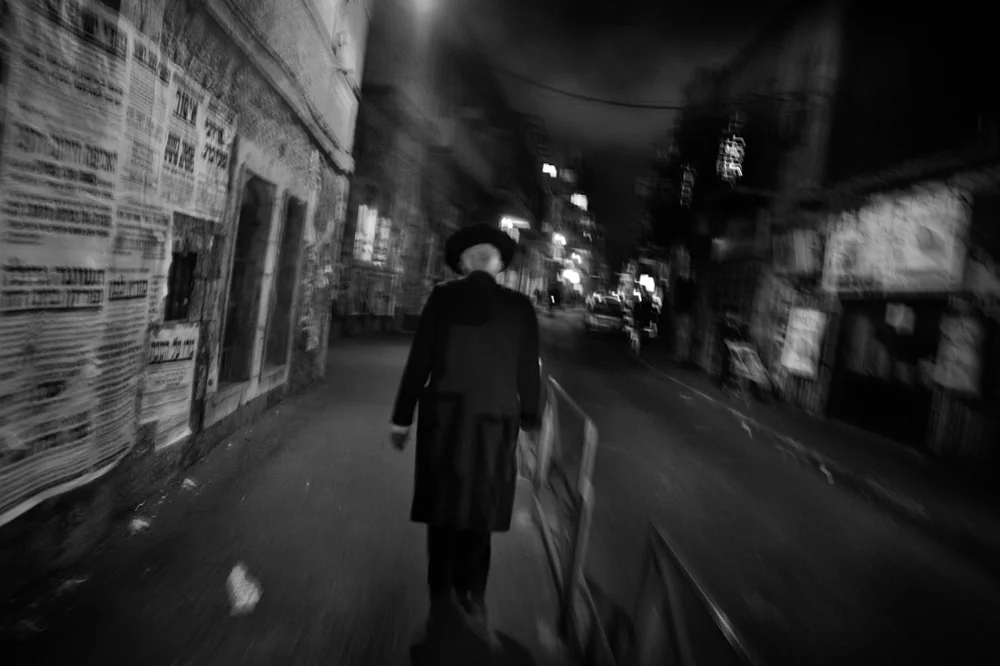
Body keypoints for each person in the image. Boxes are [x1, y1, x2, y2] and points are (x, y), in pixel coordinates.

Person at [388, 222, 542, 646]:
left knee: (443, 506)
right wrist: (530, 426)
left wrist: (402, 418)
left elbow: (420, 361)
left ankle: (439, 595)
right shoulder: (519, 308)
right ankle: (472, 593)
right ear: (497, 265)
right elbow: (529, 374)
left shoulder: (442, 299)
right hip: (495, 426)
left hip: (445, 422)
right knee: (482, 502)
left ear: (462, 264)